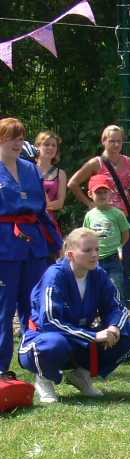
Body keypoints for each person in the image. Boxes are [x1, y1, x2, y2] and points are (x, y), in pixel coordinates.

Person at [18, 227, 130, 403]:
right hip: (42, 340)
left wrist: (114, 327)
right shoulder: (55, 276)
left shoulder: (98, 274)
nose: (94, 255)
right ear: (70, 255)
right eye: (87, 250)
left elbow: (116, 308)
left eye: (97, 249)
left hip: (79, 339)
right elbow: (50, 322)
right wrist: (94, 336)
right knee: (55, 343)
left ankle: (81, 374)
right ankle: (44, 379)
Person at [1, 117, 62, 375]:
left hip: (34, 244)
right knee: (4, 308)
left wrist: (56, 242)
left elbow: (42, 211)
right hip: (4, 246)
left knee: (34, 305)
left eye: (20, 138)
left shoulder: (31, 169)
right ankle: (1, 369)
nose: (17, 143)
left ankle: (38, 362)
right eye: (11, 138)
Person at [67, 125, 130, 306]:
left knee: (122, 263)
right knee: (96, 264)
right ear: (103, 141)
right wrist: (89, 203)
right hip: (100, 220)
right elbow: (73, 183)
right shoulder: (96, 163)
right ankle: (97, 305)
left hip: (122, 217)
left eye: (119, 141)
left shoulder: (129, 162)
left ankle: (120, 305)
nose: (115, 145)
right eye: (112, 141)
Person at [83, 174, 130, 300]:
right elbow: (86, 235)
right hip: (95, 259)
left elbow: (125, 233)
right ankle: (96, 310)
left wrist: (119, 246)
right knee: (94, 289)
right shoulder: (89, 215)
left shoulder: (118, 214)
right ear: (90, 194)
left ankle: (118, 309)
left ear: (111, 194)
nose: (102, 195)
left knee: (116, 287)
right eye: (98, 192)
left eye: (105, 192)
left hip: (113, 257)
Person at [33, 131, 67, 235]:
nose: (50, 148)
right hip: (30, 221)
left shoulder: (61, 173)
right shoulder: (28, 169)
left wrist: (37, 206)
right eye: (46, 144)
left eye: (53, 145)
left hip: (49, 222)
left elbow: (59, 203)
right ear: (38, 147)